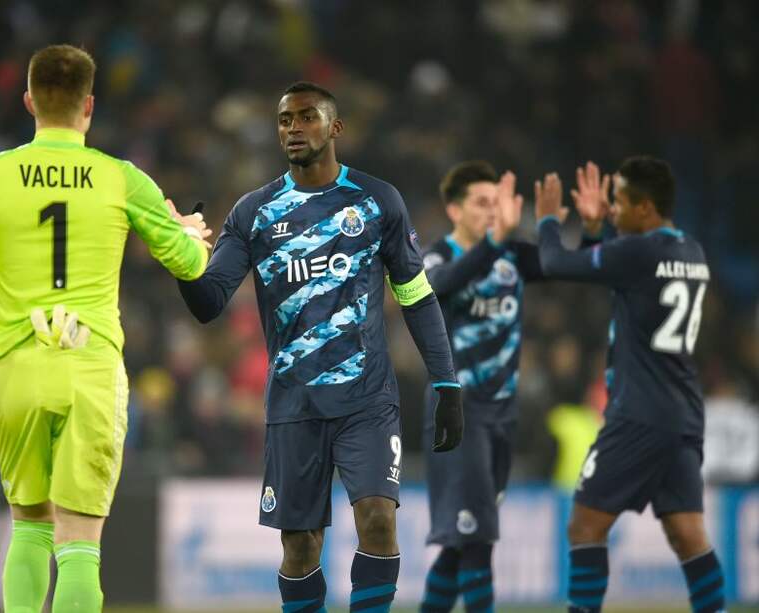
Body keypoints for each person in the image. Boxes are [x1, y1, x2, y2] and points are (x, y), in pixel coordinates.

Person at [0, 44, 211, 612]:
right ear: (89, 105)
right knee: (79, 545)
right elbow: (190, 266)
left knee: (29, 529)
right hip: (91, 370)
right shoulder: (121, 179)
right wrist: (186, 231)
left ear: (29, 101)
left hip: (17, 369)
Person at [175, 81, 464, 613]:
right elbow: (208, 302)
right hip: (293, 405)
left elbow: (418, 297)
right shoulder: (254, 212)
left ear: (335, 128)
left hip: (367, 400)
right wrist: (182, 257)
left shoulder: (377, 201)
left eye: (307, 118)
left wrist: (446, 380)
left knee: (378, 517)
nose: (293, 129)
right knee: (300, 545)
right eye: (285, 120)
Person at [535, 157, 725, 613]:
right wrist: (599, 229)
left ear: (644, 206)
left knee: (584, 527)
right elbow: (619, 276)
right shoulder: (691, 251)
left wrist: (547, 220)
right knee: (688, 536)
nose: (613, 209)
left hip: (637, 414)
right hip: (682, 416)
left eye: (618, 201)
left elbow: (556, 262)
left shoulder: (638, 254)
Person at [416, 161, 558, 613]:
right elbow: (435, 287)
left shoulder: (512, 254)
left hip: (502, 413)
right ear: (453, 210)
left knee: (463, 541)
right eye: (482, 203)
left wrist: (576, 227)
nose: (492, 212)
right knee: (478, 539)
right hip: (458, 413)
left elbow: (563, 264)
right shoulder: (437, 255)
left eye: (496, 204)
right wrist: (496, 241)